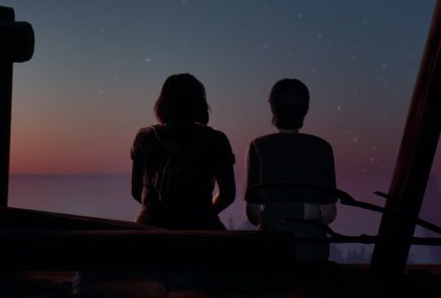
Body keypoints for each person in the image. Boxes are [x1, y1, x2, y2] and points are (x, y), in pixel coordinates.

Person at [244, 78, 337, 261]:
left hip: (271, 244)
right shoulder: (322, 148)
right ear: (306, 109)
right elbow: (329, 213)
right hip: (311, 245)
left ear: (272, 108)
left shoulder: (258, 146)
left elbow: (253, 213)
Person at [130, 73, 236, 230]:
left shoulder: (145, 137)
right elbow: (227, 194)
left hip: (150, 227)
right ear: (200, 103)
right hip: (203, 228)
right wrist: (202, 214)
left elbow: (136, 190)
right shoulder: (217, 139)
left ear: (163, 103)